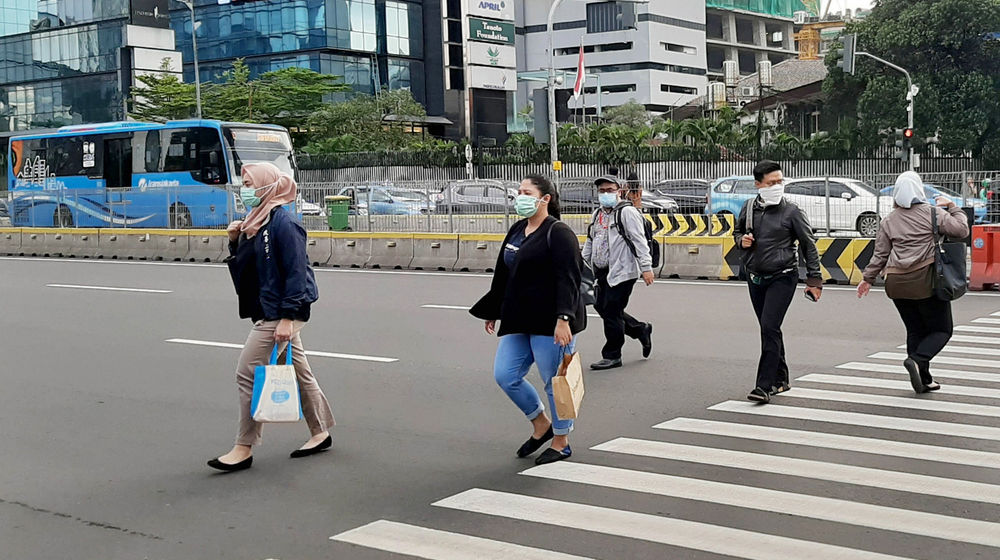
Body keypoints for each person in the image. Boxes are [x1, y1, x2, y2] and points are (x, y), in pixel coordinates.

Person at [209, 162, 336, 472]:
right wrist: (236, 241)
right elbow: (248, 276)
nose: (245, 190)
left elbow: (297, 274)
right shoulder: (257, 222)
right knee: (298, 370)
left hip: (282, 312)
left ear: (269, 186)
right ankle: (320, 431)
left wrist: (288, 318)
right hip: (270, 309)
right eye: (244, 183)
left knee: (247, 372)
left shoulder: (284, 223)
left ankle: (243, 447)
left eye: (251, 183)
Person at [470, 174, 586, 465]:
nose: (520, 196)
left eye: (526, 192)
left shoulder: (558, 233)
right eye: (518, 191)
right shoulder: (518, 229)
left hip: (550, 320)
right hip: (519, 317)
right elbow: (504, 273)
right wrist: (493, 309)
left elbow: (569, 279)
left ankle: (561, 440)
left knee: (554, 381)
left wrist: (563, 319)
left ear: (545, 198)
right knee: (506, 375)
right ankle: (540, 423)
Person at [857, 171, 969, 394]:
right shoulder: (933, 214)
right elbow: (962, 230)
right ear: (919, 190)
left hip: (896, 284)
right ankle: (918, 360)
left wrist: (867, 279)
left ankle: (924, 379)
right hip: (925, 281)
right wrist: (953, 207)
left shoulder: (888, 221)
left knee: (915, 330)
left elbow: (880, 255)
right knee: (942, 330)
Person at [734, 160, 823, 403]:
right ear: (758, 185)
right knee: (769, 327)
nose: (777, 186)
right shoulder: (749, 207)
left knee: (769, 327)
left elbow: (809, 245)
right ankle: (781, 378)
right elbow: (737, 231)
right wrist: (741, 240)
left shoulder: (791, 212)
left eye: (780, 181)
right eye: (771, 183)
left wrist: (814, 280)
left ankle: (764, 386)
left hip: (782, 276)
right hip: (755, 277)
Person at [582, 174, 655, 370]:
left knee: (612, 310)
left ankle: (612, 354)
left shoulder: (627, 213)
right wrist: (581, 263)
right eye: (602, 190)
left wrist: (646, 268)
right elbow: (591, 239)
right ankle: (640, 329)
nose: (605, 194)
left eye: (610, 190)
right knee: (601, 306)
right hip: (602, 271)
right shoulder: (598, 213)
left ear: (619, 191)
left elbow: (639, 240)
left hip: (623, 270)